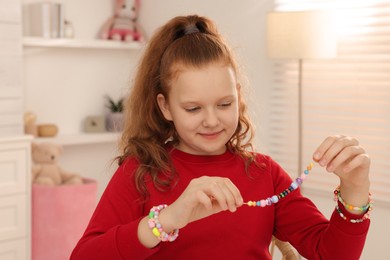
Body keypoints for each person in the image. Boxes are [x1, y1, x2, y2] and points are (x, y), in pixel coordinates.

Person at [70, 15, 371, 260]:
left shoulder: (264, 174)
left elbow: (331, 253)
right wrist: (165, 221)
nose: (212, 120)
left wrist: (355, 190)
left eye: (225, 104)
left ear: (238, 97)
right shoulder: (141, 171)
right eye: (193, 108)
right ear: (165, 106)